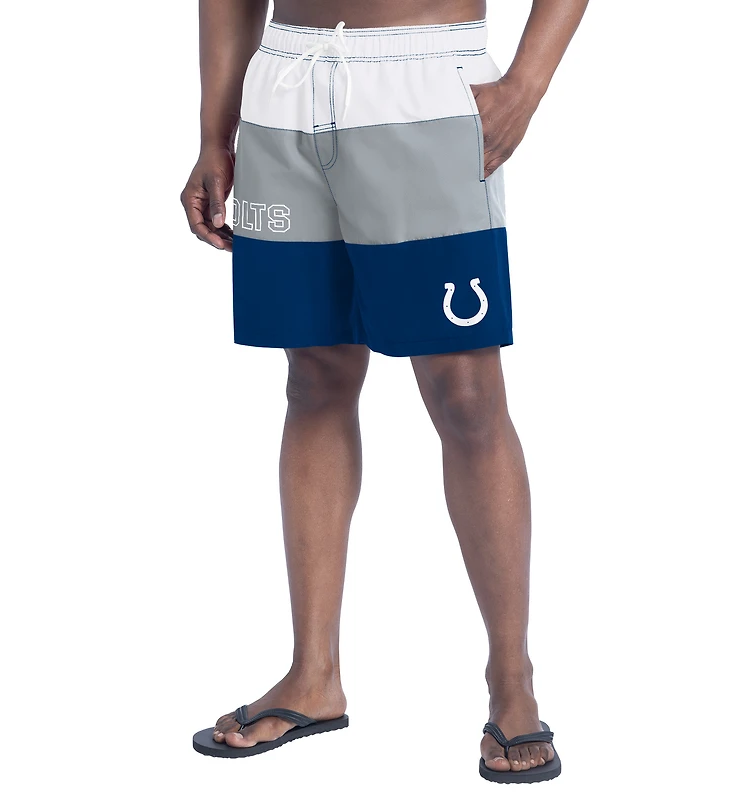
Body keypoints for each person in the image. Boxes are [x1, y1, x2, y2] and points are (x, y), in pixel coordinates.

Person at [182, 0, 587, 784]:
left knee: (465, 394)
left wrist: (527, 85)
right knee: (315, 375)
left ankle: (512, 683)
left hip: (424, 84)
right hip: (284, 88)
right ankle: (314, 676)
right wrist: (213, 132)